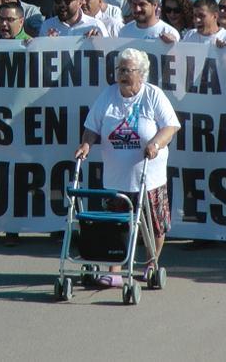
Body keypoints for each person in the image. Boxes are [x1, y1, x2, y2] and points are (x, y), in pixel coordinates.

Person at [75, 48, 180, 288]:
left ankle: (151, 263)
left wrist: (155, 143)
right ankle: (115, 270)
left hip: (148, 175)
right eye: (119, 69)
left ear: (141, 74)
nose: (122, 74)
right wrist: (86, 144)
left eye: (127, 70)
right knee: (116, 225)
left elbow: (171, 126)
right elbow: (92, 125)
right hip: (116, 177)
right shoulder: (108, 95)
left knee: (154, 224)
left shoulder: (153, 95)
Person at [41, 0, 107, 37]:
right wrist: (47, 43)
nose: (62, 5)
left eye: (67, 1)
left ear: (80, 3)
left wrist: (99, 43)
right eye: (58, 1)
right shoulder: (47, 26)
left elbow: (108, 52)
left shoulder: (95, 26)